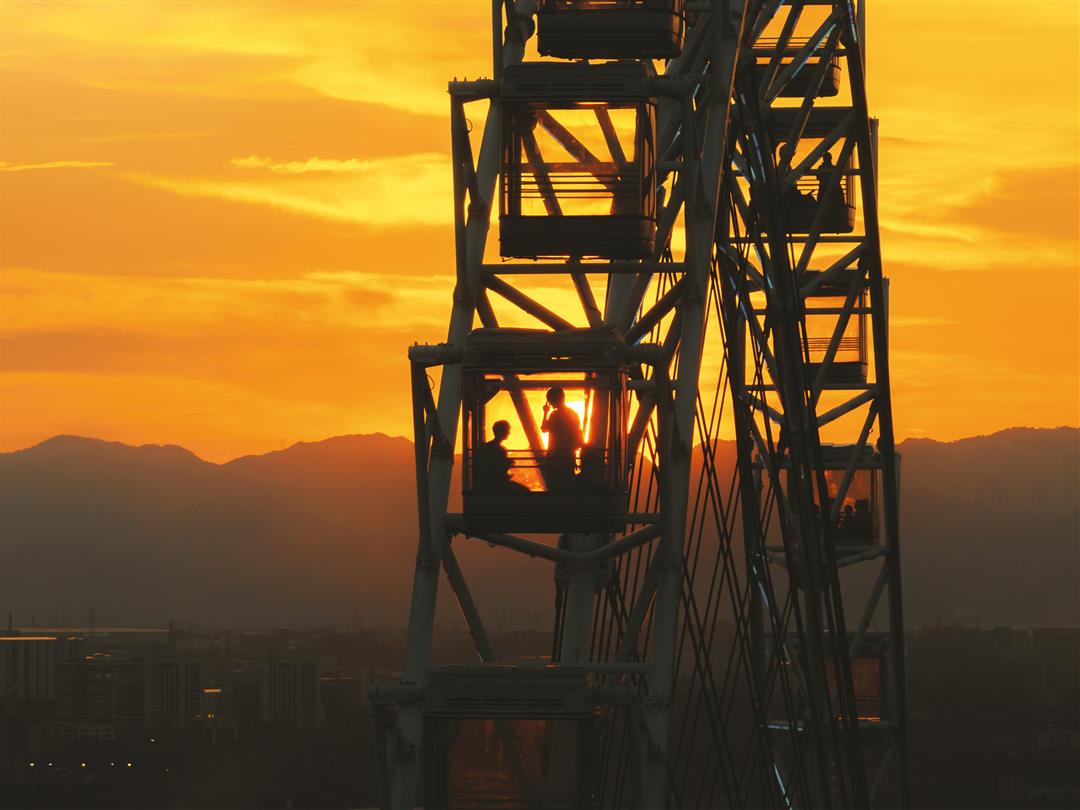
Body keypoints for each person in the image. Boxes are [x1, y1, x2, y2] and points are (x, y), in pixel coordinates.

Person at [540, 387, 583, 490]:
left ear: (552, 400)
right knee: (566, 486)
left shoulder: (554, 415)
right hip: (568, 457)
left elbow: (544, 429)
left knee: (554, 485)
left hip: (554, 457)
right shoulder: (573, 414)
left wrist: (545, 412)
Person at [475, 420, 528, 493]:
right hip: (499, 484)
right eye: (507, 430)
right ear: (502, 432)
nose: (509, 432)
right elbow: (498, 470)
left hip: (490, 483)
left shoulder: (487, 447)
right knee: (525, 492)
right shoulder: (501, 449)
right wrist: (509, 463)